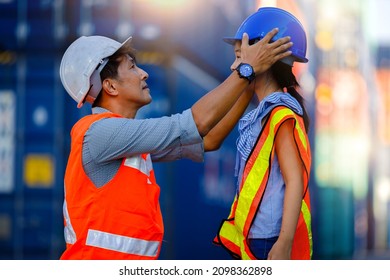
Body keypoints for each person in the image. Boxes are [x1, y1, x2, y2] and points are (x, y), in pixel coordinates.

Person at [58, 27, 293, 259]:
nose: (144, 73)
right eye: (132, 67)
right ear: (110, 86)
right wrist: (247, 69)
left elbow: (209, 139)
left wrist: (248, 86)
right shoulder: (100, 133)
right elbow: (196, 123)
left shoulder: (129, 144)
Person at [213, 7, 312, 260]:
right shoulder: (263, 112)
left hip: (268, 241)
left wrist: (284, 243)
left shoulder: (279, 113)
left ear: (264, 59)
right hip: (255, 236)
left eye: (238, 57)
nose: (233, 65)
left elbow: (294, 181)